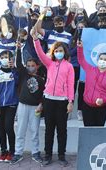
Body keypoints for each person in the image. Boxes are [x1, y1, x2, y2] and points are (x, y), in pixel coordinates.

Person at [32, 33, 75, 167]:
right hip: (48, 100)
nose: (58, 53)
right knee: (49, 129)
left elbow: (70, 84)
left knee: (62, 130)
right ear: (53, 52)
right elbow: (39, 53)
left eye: (60, 51)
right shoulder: (49, 63)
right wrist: (35, 40)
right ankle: (48, 155)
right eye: (56, 51)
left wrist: (70, 101)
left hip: (62, 102)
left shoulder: (69, 66)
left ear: (65, 52)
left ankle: (61, 155)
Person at [10, 47, 46, 165]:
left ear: (37, 66)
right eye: (28, 65)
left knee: (34, 131)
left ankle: (35, 152)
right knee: (20, 130)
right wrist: (18, 49)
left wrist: (41, 105)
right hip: (22, 106)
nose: (30, 67)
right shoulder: (24, 75)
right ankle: (18, 153)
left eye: (33, 65)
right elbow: (19, 63)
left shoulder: (41, 79)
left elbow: (43, 94)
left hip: (35, 108)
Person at [77, 40, 106, 126]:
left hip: (101, 109)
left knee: (98, 133)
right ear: (97, 60)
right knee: (87, 131)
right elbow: (81, 60)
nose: (102, 61)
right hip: (87, 107)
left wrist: (104, 100)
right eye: (101, 59)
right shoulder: (90, 69)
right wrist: (80, 48)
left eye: (105, 59)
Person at [0, 50, 19, 163]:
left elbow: (18, 81)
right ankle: (3, 151)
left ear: (11, 59)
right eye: (2, 57)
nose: (5, 59)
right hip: (0, 105)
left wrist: (13, 69)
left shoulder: (15, 72)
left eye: (7, 57)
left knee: (8, 127)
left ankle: (12, 151)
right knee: (1, 128)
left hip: (11, 104)